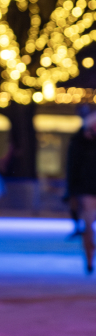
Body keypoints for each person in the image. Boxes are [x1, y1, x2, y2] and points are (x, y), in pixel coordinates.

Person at [66, 112, 96, 274]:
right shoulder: (78, 144)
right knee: (88, 225)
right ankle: (89, 258)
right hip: (86, 190)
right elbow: (72, 168)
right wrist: (71, 191)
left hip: (87, 188)